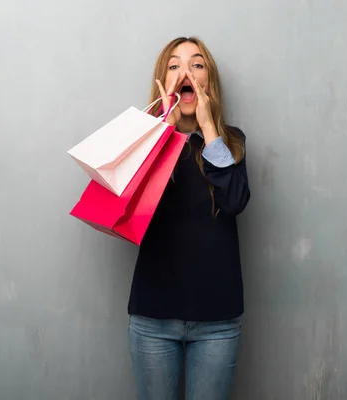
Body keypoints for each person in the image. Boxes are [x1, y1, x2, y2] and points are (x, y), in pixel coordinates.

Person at [127, 36, 251, 400]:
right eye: (174, 66)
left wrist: (209, 128)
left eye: (197, 65)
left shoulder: (232, 142)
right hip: (153, 317)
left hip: (218, 321)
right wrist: (161, 128)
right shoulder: (141, 141)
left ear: (208, 81)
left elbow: (234, 200)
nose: (187, 72)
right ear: (163, 82)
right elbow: (135, 212)